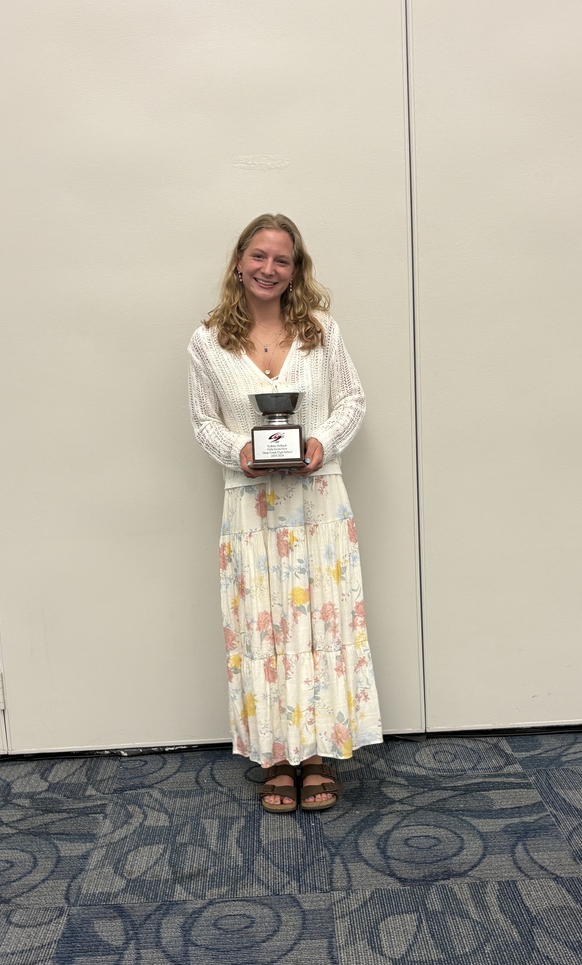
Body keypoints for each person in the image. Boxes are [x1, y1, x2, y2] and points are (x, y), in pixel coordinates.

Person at [187, 213, 382, 813]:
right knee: (264, 625)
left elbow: (352, 398)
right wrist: (237, 451)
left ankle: (318, 754)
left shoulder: (321, 330)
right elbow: (202, 420)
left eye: (282, 259)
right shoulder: (207, 339)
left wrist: (322, 441)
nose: (269, 269)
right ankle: (275, 756)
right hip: (251, 506)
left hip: (317, 500)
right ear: (239, 262)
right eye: (259, 256)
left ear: (296, 269)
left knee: (321, 625)